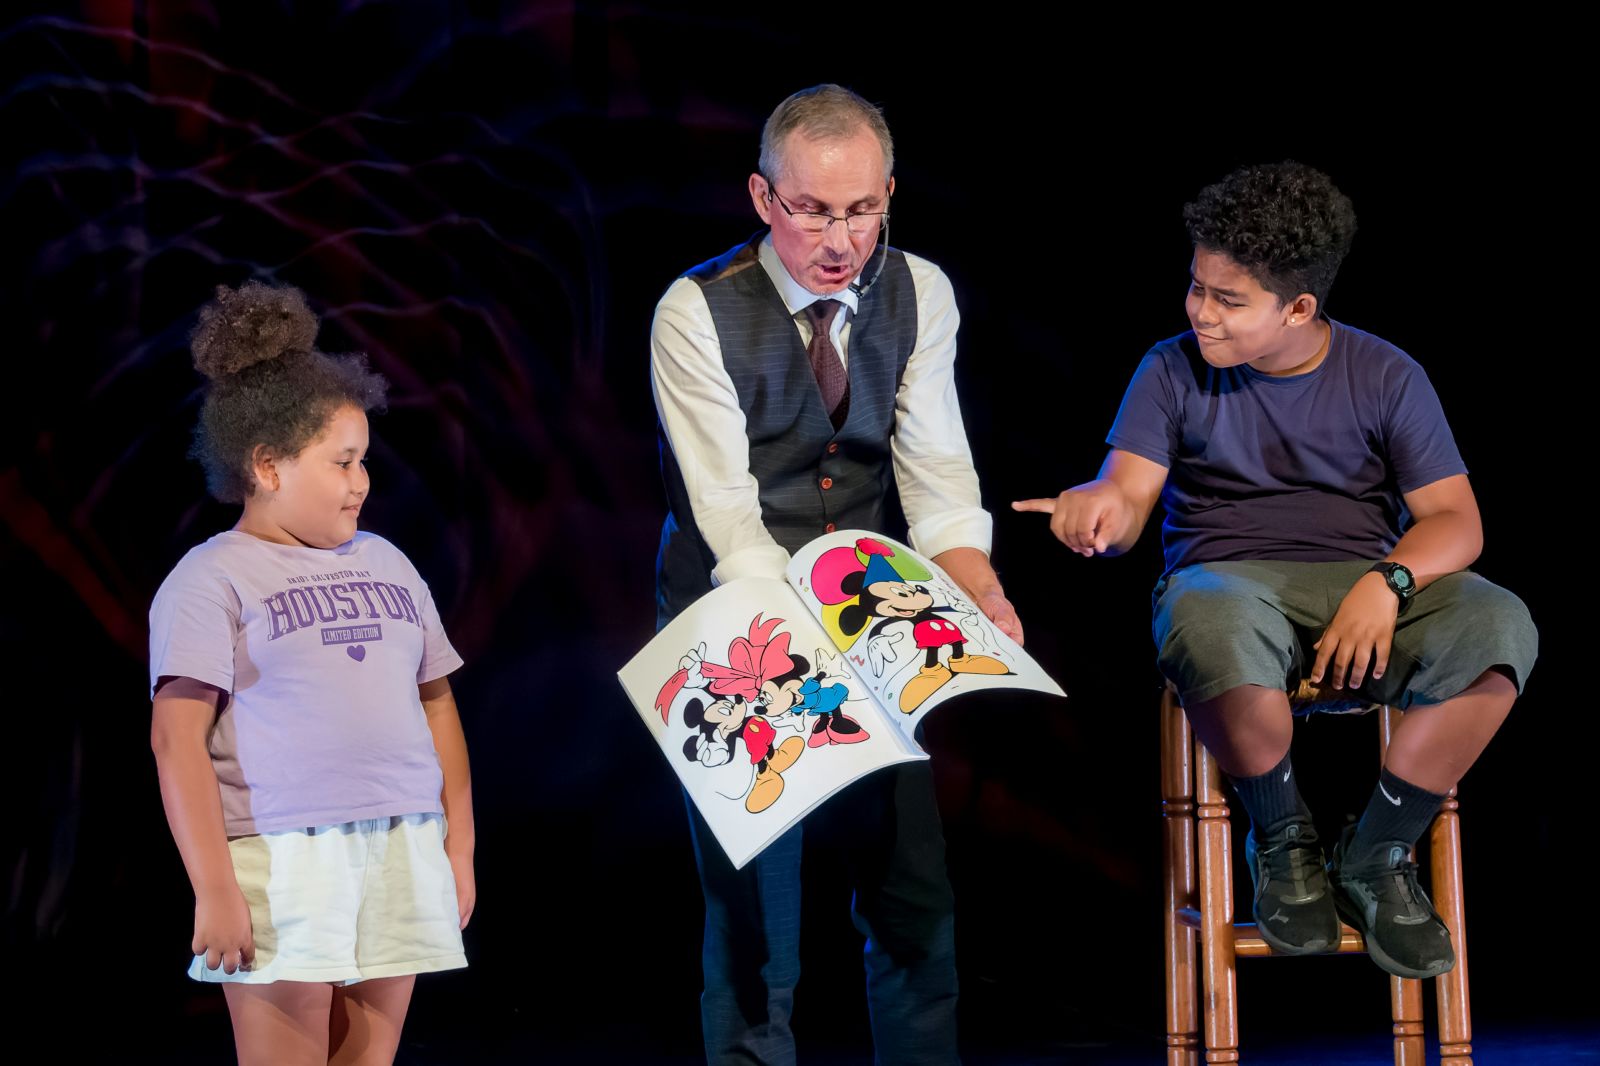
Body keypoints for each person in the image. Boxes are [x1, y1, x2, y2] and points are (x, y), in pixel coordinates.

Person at [1016, 161, 1536, 980]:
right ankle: (1283, 837)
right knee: (1204, 615)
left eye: (1229, 302)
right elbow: (1126, 493)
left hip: (1363, 586)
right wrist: (1096, 509)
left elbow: (1456, 521)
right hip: (1229, 584)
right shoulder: (1171, 367)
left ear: (1299, 308)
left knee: (1501, 626)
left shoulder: (1385, 374)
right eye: (1197, 288)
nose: (1200, 313)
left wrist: (1386, 583)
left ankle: (1376, 851)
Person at [651, 84, 1019, 1064]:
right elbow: (728, 514)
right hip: (735, 611)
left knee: (909, 886)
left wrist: (975, 586)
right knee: (757, 905)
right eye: (812, 209)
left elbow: (936, 472)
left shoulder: (920, 291)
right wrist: (796, 647)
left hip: (860, 601)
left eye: (861, 209)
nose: (839, 237)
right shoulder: (696, 310)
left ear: (889, 193)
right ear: (764, 199)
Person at [149, 281, 476, 1064]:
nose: (361, 482)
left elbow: (436, 705)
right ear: (267, 465)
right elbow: (176, 742)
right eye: (342, 462)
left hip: (400, 840)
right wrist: (216, 888)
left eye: (364, 461)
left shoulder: (387, 561)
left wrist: (456, 846)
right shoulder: (212, 576)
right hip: (282, 854)